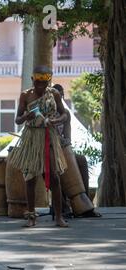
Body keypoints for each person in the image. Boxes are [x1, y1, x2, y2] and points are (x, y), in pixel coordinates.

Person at [9, 66, 68, 228]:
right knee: (30, 178)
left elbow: (64, 114)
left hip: (49, 137)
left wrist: (56, 121)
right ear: (32, 80)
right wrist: (26, 116)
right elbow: (18, 120)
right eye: (37, 82)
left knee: (54, 177)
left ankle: (58, 217)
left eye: (44, 82)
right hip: (32, 138)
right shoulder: (25, 95)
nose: (40, 85)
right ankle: (31, 217)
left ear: (48, 81)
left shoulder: (54, 94)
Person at [50, 84, 101, 218]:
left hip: (62, 149)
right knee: (56, 167)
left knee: (81, 160)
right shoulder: (47, 112)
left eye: (61, 96)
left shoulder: (65, 114)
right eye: (56, 96)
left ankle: (84, 204)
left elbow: (68, 137)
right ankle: (63, 207)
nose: (59, 99)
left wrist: (65, 143)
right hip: (48, 151)